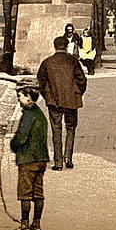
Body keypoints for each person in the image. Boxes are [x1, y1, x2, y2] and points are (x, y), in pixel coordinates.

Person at [36, 36, 87, 170]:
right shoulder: (73, 61)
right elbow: (82, 80)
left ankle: (58, 162)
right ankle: (68, 159)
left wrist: (47, 95)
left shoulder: (47, 62)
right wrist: (77, 93)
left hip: (54, 101)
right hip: (72, 100)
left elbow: (40, 81)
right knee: (71, 128)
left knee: (56, 130)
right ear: (66, 46)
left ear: (55, 46)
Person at [8, 85, 49, 230]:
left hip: (28, 159)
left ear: (28, 98)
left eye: (20, 96)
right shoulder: (40, 114)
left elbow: (21, 137)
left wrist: (14, 145)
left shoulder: (28, 115)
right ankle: (36, 225)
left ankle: (24, 226)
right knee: (38, 193)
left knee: (25, 193)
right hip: (41, 158)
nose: (18, 100)